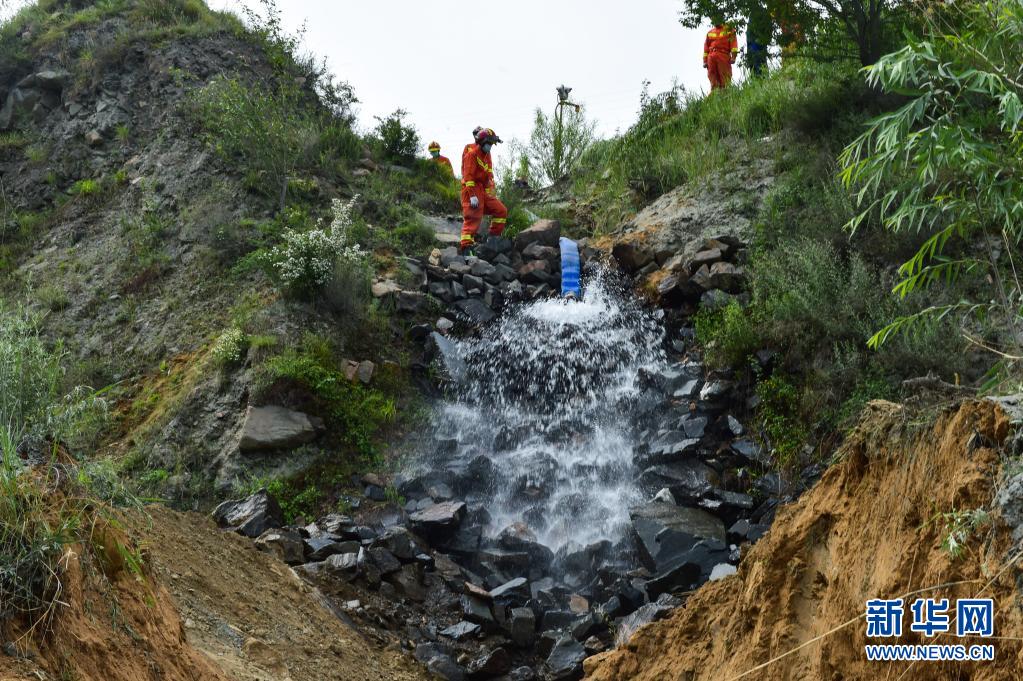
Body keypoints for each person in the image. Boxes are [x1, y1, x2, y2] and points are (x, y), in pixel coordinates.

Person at [459, 127, 508, 256]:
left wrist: (491, 191)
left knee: (501, 210)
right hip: (471, 190)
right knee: (473, 217)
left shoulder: (487, 156)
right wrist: (472, 196)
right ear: (481, 142)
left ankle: (493, 239)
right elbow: (468, 177)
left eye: (492, 144)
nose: (490, 146)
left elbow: (489, 175)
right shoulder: (471, 154)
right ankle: (466, 249)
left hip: (483, 190)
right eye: (489, 143)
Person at [703, 18, 738, 90]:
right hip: (711, 57)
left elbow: (734, 45)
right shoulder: (710, 32)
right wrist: (705, 61)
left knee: (725, 78)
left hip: (723, 55)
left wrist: (733, 57)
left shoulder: (729, 30)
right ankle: (715, 95)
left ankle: (726, 95)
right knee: (712, 78)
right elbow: (706, 48)